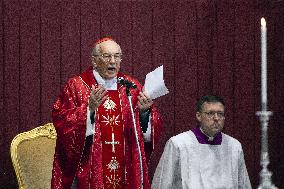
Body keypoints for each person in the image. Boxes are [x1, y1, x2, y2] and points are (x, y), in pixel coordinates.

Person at [51, 37, 163, 189]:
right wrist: (88, 110)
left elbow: (149, 130)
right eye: (107, 56)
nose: (113, 61)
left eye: (117, 56)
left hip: (126, 168)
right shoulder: (77, 86)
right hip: (90, 168)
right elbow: (62, 122)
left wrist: (144, 113)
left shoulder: (131, 86)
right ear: (94, 61)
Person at [151, 95, 251, 189]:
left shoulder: (234, 146)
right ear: (199, 116)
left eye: (220, 114)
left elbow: (243, 184)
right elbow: (162, 184)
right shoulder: (178, 144)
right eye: (210, 113)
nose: (216, 118)